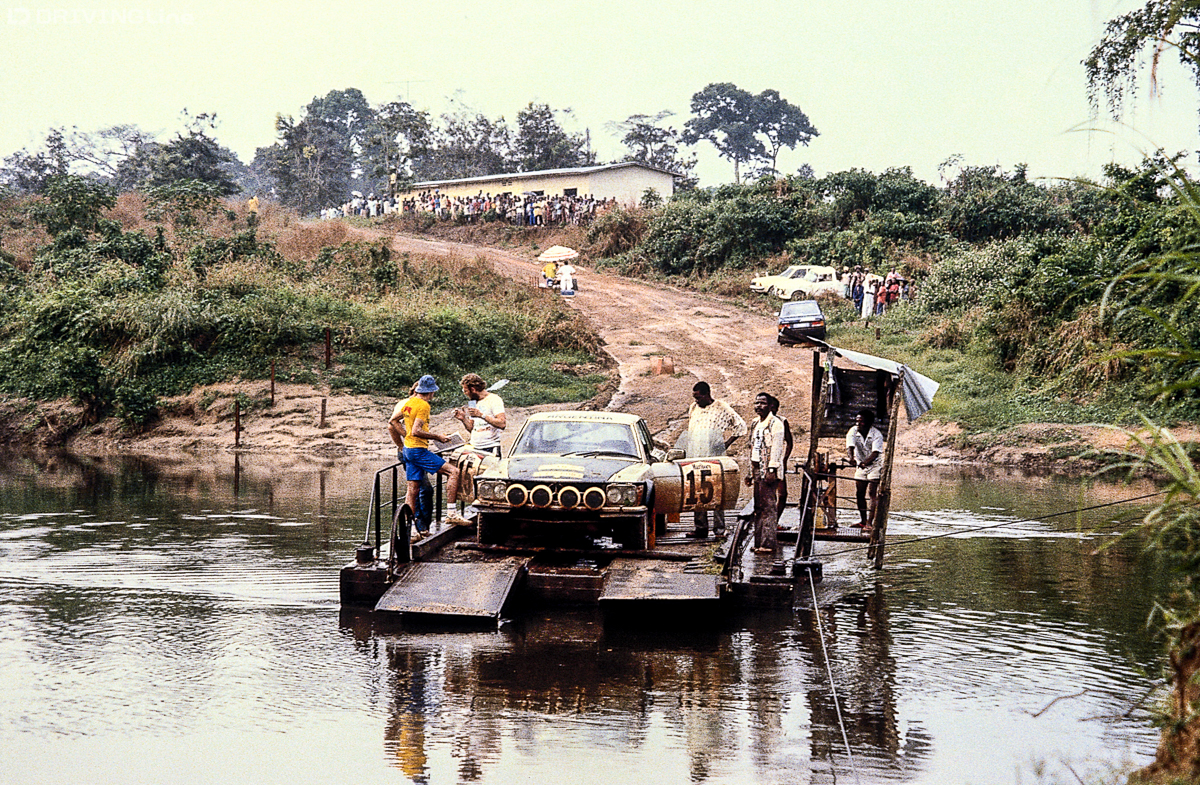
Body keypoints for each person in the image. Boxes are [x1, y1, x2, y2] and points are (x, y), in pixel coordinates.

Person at [392, 374, 465, 525]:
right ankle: (451, 512)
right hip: (418, 450)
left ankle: (410, 529)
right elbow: (417, 431)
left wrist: (406, 437)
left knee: (412, 489)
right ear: (431, 392)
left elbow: (393, 421)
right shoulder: (424, 405)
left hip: (407, 449)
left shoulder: (409, 402)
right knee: (454, 472)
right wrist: (438, 437)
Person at [684, 381, 747, 538]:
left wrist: (726, 443)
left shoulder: (721, 407)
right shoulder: (693, 408)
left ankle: (719, 529)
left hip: (714, 457)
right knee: (698, 491)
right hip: (696, 456)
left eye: (698, 397)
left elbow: (740, 426)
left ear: (706, 395)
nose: (696, 401)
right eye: (694, 397)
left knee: (716, 492)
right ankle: (700, 528)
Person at [388, 381, 434, 540]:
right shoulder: (406, 404)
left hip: (415, 448)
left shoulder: (418, 405)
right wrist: (402, 444)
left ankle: (420, 527)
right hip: (411, 450)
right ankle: (417, 527)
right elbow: (391, 425)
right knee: (421, 488)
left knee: (420, 488)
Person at [745, 392, 786, 555]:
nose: (758, 406)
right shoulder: (755, 423)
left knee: (769, 506)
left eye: (762, 403)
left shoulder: (776, 424)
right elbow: (752, 447)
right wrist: (749, 472)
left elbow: (777, 448)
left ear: (770, 406)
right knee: (758, 507)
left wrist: (771, 469)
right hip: (756, 467)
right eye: (756, 403)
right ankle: (759, 541)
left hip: (768, 469)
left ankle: (768, 543)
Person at [846, 408, 884, 530]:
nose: (858, 423)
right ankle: (862, 521)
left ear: (868, 422)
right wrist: (851, 458)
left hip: (874, 465)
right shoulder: (853, 431)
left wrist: (865, 463)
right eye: (857, 421)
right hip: (861, 464)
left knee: (872, 493)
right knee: (859, 493)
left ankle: (869, 522)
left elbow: (875, 453)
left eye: (861, 421)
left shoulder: (876, 434)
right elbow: (850, 447)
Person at [453, 373, 506, 457]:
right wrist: (463, 419)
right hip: (475, 446)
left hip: (490, 447)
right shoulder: (473, 402)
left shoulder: (494, 399)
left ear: (473, 389)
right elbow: (472, 428)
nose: (465, 394)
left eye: (465, 391)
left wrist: (481, 415)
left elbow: (502, 424)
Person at [767, 395, 793, 512]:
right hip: (764, 461)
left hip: (777, 461)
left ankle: (775, 520)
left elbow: (789, 442)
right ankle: (766, 521)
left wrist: (785, 459)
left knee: (782, 494)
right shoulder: (759, 422)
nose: (772, 411)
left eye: (774, 408)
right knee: (766, 494)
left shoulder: (782, 421)